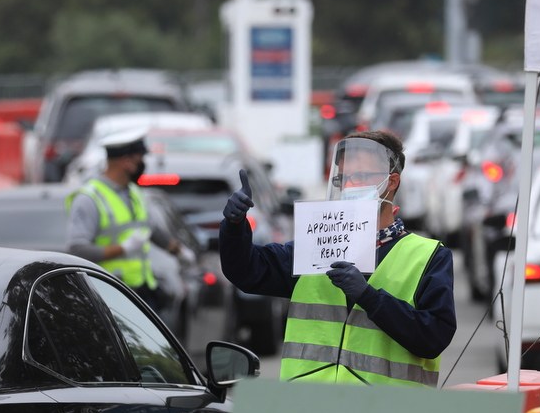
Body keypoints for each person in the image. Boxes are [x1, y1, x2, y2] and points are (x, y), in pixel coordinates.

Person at [219, 129, 456, 387]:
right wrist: (234, 226)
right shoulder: (318, 246)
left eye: (362, 176)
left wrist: (370, 298)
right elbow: (246, 271)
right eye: (343, 178)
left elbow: (433, 338)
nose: (350, 186)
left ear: (392, 181)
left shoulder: (428, 256)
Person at [66, 127, 192, 310]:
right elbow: (77, 249)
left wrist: (179, 251)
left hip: (139, 293)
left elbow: (151, 230)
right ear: (127, 162)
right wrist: (122, 249)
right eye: (140, 158)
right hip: (107, 297)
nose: (143, 164)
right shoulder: (90, 198)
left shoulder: (134, 192)